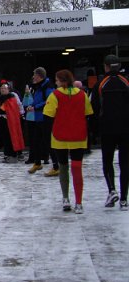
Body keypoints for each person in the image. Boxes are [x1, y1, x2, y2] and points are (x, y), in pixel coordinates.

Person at [43, 69, 93, 214]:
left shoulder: (55, 95)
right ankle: (79, 202)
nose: (56, 82)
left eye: (57, 80)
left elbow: (48, 116)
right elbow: (88, 113)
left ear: (62, 81)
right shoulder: (82, 95)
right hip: (78, 136)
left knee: (63, 167)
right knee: (77, 168)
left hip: (60, 137)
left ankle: (65, 198)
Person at [93, 54, 129, 210]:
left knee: (107, 161)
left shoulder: (100, 84)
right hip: (126, 128)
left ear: (106, 67)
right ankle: (124, 198)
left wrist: (94, 130)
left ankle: (111, 190)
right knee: (125, 163)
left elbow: (94, 107)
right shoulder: (126, 82)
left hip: (107, 128)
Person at [26, 67, 59, 176]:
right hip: (39, 118)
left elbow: (49, 101)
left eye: (34, 75)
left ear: (39, 76)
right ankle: (37, 162)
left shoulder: (47, 87)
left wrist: (36, 107)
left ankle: (56, 166)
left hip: (46, 117)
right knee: (36, 141)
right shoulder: (39, 86)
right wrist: (33, 105)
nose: (33, 77)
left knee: (48, 142)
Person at [0, 82, 24, 163]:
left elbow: (13, 108)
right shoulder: (0, 97)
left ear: (8, 89)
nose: (3, 90)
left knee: (11, 137)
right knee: (4, 137)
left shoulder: (12, 97)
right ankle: (7, 154)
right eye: (1, 88)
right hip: (2, 119)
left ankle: (13, 154)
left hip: (10, 120)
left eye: (4, 88)